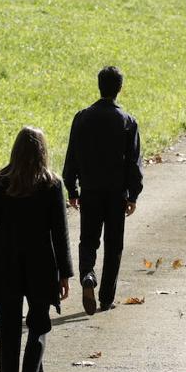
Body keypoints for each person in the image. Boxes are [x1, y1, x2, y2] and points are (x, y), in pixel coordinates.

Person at [0, 127, 73, 372]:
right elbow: (60, 232)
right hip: (41, 265)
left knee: (8, 333)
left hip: (5, 265)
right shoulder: (51, 184)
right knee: (39, 326)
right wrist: (65, 273)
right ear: (43, 151)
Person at [62, 66, 143, 315]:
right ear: (119, 88)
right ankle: (106, 296)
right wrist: (133, 194)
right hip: (116, 193)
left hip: (90, 190)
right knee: (113, 244)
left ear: (99, 85)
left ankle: (87, 273)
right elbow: (134, 162)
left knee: (88, 239)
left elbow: (71, 156)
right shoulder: (127, 121)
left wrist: (72, 189)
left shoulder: (83, 117)